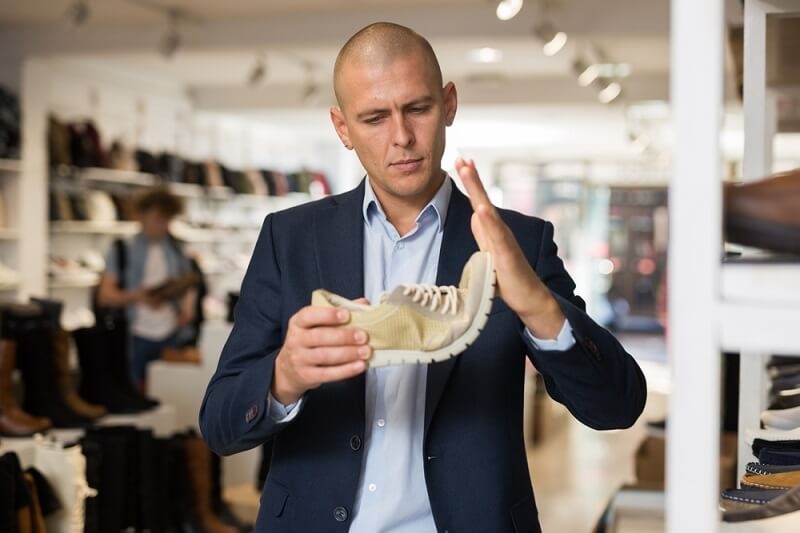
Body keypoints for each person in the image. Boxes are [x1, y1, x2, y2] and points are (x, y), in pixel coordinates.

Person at [199, 22, 646, 533]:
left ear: (449, 103)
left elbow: (617, 407)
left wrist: (539, 307)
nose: (402, 137)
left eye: (418, 108)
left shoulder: (517, 240)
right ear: (342, 128)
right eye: (374, 118)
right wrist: (283, 377)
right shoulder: (289, 238)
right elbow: (219, 425)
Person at [97, 186, 197, 390]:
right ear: (142, 215)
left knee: (169, 391)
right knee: (133, 389)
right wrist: (138, 296)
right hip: (134, 334)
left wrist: (187, 305)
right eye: (157, 218)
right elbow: (105, 296)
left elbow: (188, 284)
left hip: (172, 332)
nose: (162, 225)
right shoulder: (122, 249)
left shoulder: (177, 249)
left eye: (166, 219)